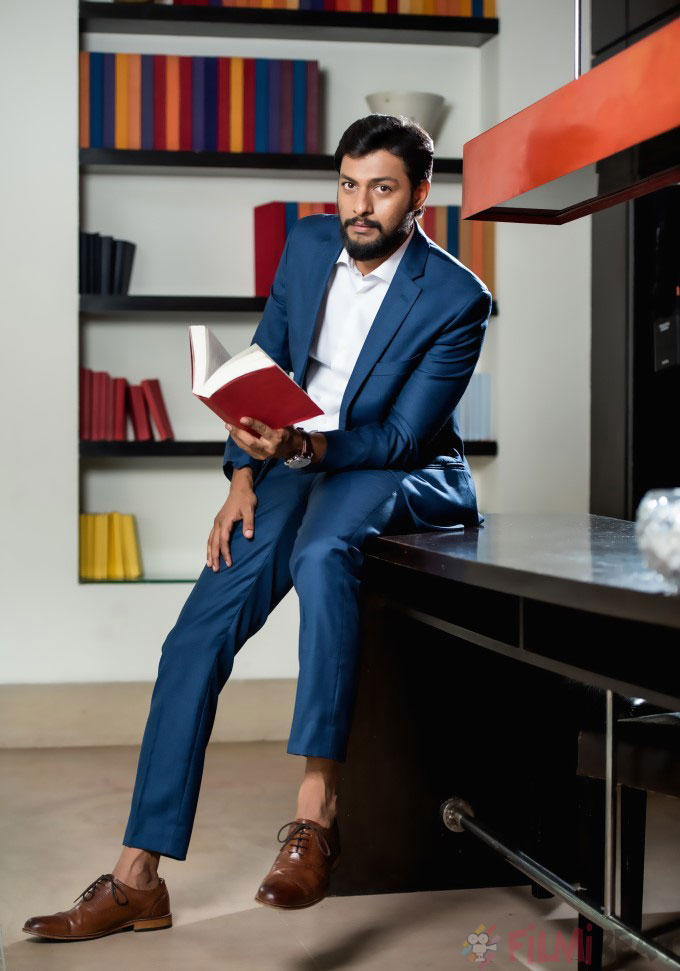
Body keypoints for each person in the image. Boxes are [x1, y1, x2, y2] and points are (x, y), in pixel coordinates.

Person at [22, 113, 492, 941]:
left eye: (382, 189)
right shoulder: (307, 245)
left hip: (386, 465)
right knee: (193, 639)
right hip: (288, 460)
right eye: (348, 185)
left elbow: (399, 436)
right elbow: (263, 363)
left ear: (421, 194)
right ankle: (137, 879)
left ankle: (316, 815)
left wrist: (304, 447)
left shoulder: (457, 298)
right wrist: (242, 474)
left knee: (322, 551)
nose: (359, 205)